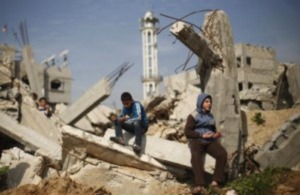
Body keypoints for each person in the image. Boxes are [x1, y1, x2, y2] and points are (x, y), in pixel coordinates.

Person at [184, 93, 227, 194]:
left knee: (222, 154)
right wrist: (201, 136)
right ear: (201, 102)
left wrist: (215, 134)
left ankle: (215, 183)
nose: (209, 104)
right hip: (197, 141)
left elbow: (212, 129)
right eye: (206, 102)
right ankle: (200, 185)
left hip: (209, 141)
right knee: (196, 157)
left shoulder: (210, 115)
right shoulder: (193, 115)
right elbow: (187, 132)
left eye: (210, 102)